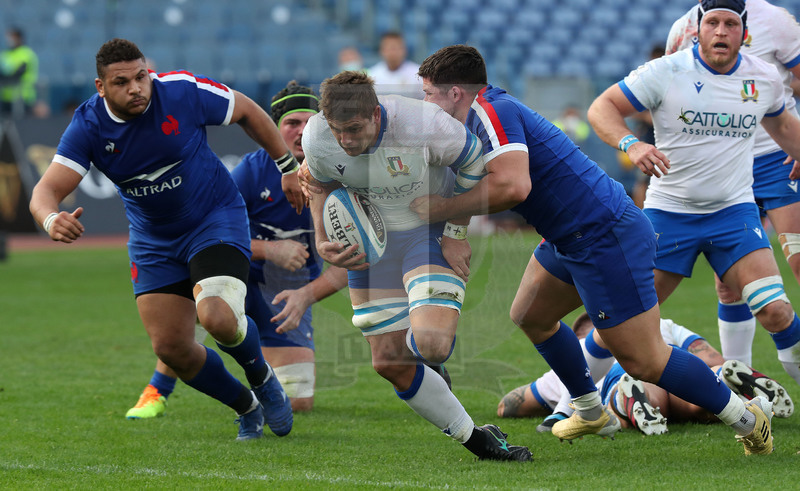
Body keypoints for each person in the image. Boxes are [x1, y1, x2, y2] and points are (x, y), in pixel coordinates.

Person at [413, 43, 773, 455]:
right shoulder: (472, 118)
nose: (425, 103)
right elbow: (469, 174)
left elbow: (513, 186)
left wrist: (436, 211)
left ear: (455, 92)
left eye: (428, 93)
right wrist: (454, 228)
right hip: (570, 235)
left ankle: (747, 418)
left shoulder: (489, 111)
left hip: (604, 234)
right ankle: (590, 411)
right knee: (531, 316)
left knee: (646, 361)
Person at [28, 38, 303, 440]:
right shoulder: (88, 125)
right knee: (171, 349)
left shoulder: (180, 91)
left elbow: (246, 109)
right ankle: (247, 406)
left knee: (217, 317)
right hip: (153, 240)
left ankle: (262, 377)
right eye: (121, 82)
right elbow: (43, 192)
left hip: (214, 218)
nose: (136, 88)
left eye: (141, 76)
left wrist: (287, 166)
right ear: (100, 87)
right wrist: (51, 219)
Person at [300, 70, 531, 461]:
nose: (346, 140)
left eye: (354, 129)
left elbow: (475, 165)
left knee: (433, 346)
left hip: (426, 233)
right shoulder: (317, 136)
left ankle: (426, 359)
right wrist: (322, 236)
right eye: (338, 131)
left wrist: (456, 231)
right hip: (369, 245)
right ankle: (478, 440)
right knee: (388, 362)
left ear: (375, 113)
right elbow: (317, 181)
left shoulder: (423, 124)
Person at [588, 0, 800, 404]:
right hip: (670, 215)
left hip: (733, 215)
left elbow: (784, 125)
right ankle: (575, 402)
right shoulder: (667, 71)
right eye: (713, 23)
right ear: (698, 29)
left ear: (744, 33)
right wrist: (631, 144)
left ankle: (743, 389)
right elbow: (602, 107)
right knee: (620, 324)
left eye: (730, 24)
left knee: (777, 311)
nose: (721, 32)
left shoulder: (764, 77)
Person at [125, 81, 349, 419]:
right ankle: (157, 389)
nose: (301, 132)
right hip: (238, 275)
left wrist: (305, 295)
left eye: (310, 123)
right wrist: (269, 249)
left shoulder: (342, 178)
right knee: (197, 304)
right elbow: (208, 229)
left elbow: (355, 261)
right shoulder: (251, 172)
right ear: (276, 129)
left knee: (300, 401)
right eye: (291, 123)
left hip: (285, 292)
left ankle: (259, 385)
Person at [666, 0, 800, 370]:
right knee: (729, 283)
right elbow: (669, 93)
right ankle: (741, 377)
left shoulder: (776, 21)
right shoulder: (684, 27)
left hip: (777, 159)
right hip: (722, 166)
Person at [499, 315, 793, 434]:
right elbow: (708, 354)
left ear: (579, 337)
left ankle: (631, 399)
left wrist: (552, 408)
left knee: (640, 395)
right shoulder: (660, 323)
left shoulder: (570, 358)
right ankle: (726, 378)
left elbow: (513, 404)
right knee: (696, 397)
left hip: (619, 374)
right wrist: (717, 366)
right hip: (670, 358)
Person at [368, 31, 422, 98]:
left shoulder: (419, 74)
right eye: (389, 48)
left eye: (396, 48)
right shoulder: (372, 75)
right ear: (381, 50)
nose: (392, 52)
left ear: (404, 50)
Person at [0, 27, 38, 117]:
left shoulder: (26, 54)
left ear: (20, 38)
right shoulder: (4, 54)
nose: (10, 40)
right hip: (5, 96)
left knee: (22, 125)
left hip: (23, 97)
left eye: (13, 37)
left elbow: (19, 73)